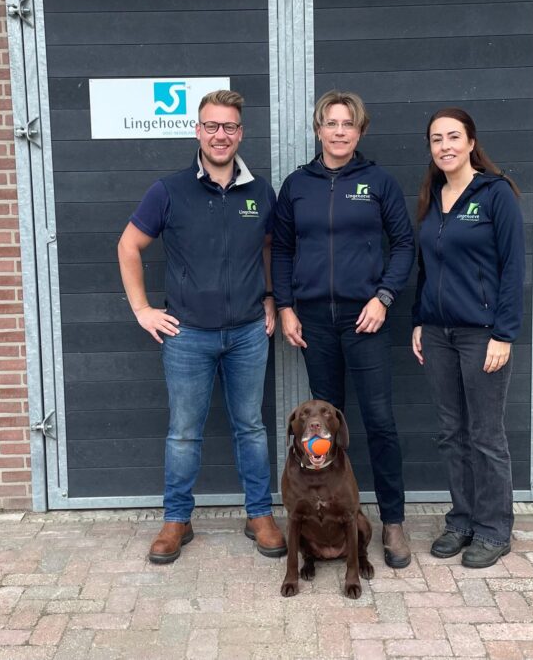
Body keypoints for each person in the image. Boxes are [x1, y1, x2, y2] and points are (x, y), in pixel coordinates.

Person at [117, 89, 286, 564]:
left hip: (248, 332)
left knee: (251, 427)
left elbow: (269, 247)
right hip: (187, 335)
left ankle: (259, 514)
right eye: (211, 126)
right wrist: (142, 310)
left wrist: (270, 296)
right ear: (198, 131)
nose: (220, 135)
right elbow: (128, 246)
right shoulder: (169, 190)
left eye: (229, 126)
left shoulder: (260, 192)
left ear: (241, 133)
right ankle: (177, 520)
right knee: (184, 432)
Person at [272, 90, 415, 568]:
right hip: (314, 322)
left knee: (380, 422)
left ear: (360, 131)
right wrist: (286, 306)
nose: (339, 131)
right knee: (320, 432)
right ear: (318, 129)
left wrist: (383, 297)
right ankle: (323, 516)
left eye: (348, 124)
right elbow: (282, 250)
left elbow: (404, 245)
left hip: (365, 319)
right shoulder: (296, 185)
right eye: (331, 123)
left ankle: (392, 521)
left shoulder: (379, 182)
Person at [411, 107, 524, 569]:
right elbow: (426, 268)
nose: (446, 146)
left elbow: (513, 268)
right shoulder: (432, 196)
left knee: (485, 434)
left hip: (482, 335)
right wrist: (419, 320)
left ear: (471, 142)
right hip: (438, 334)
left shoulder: (496, 194)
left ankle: (494, 529)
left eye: (454, 136)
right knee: (451, 431)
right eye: (437, 139)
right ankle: (461, 521)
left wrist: (504, 334)